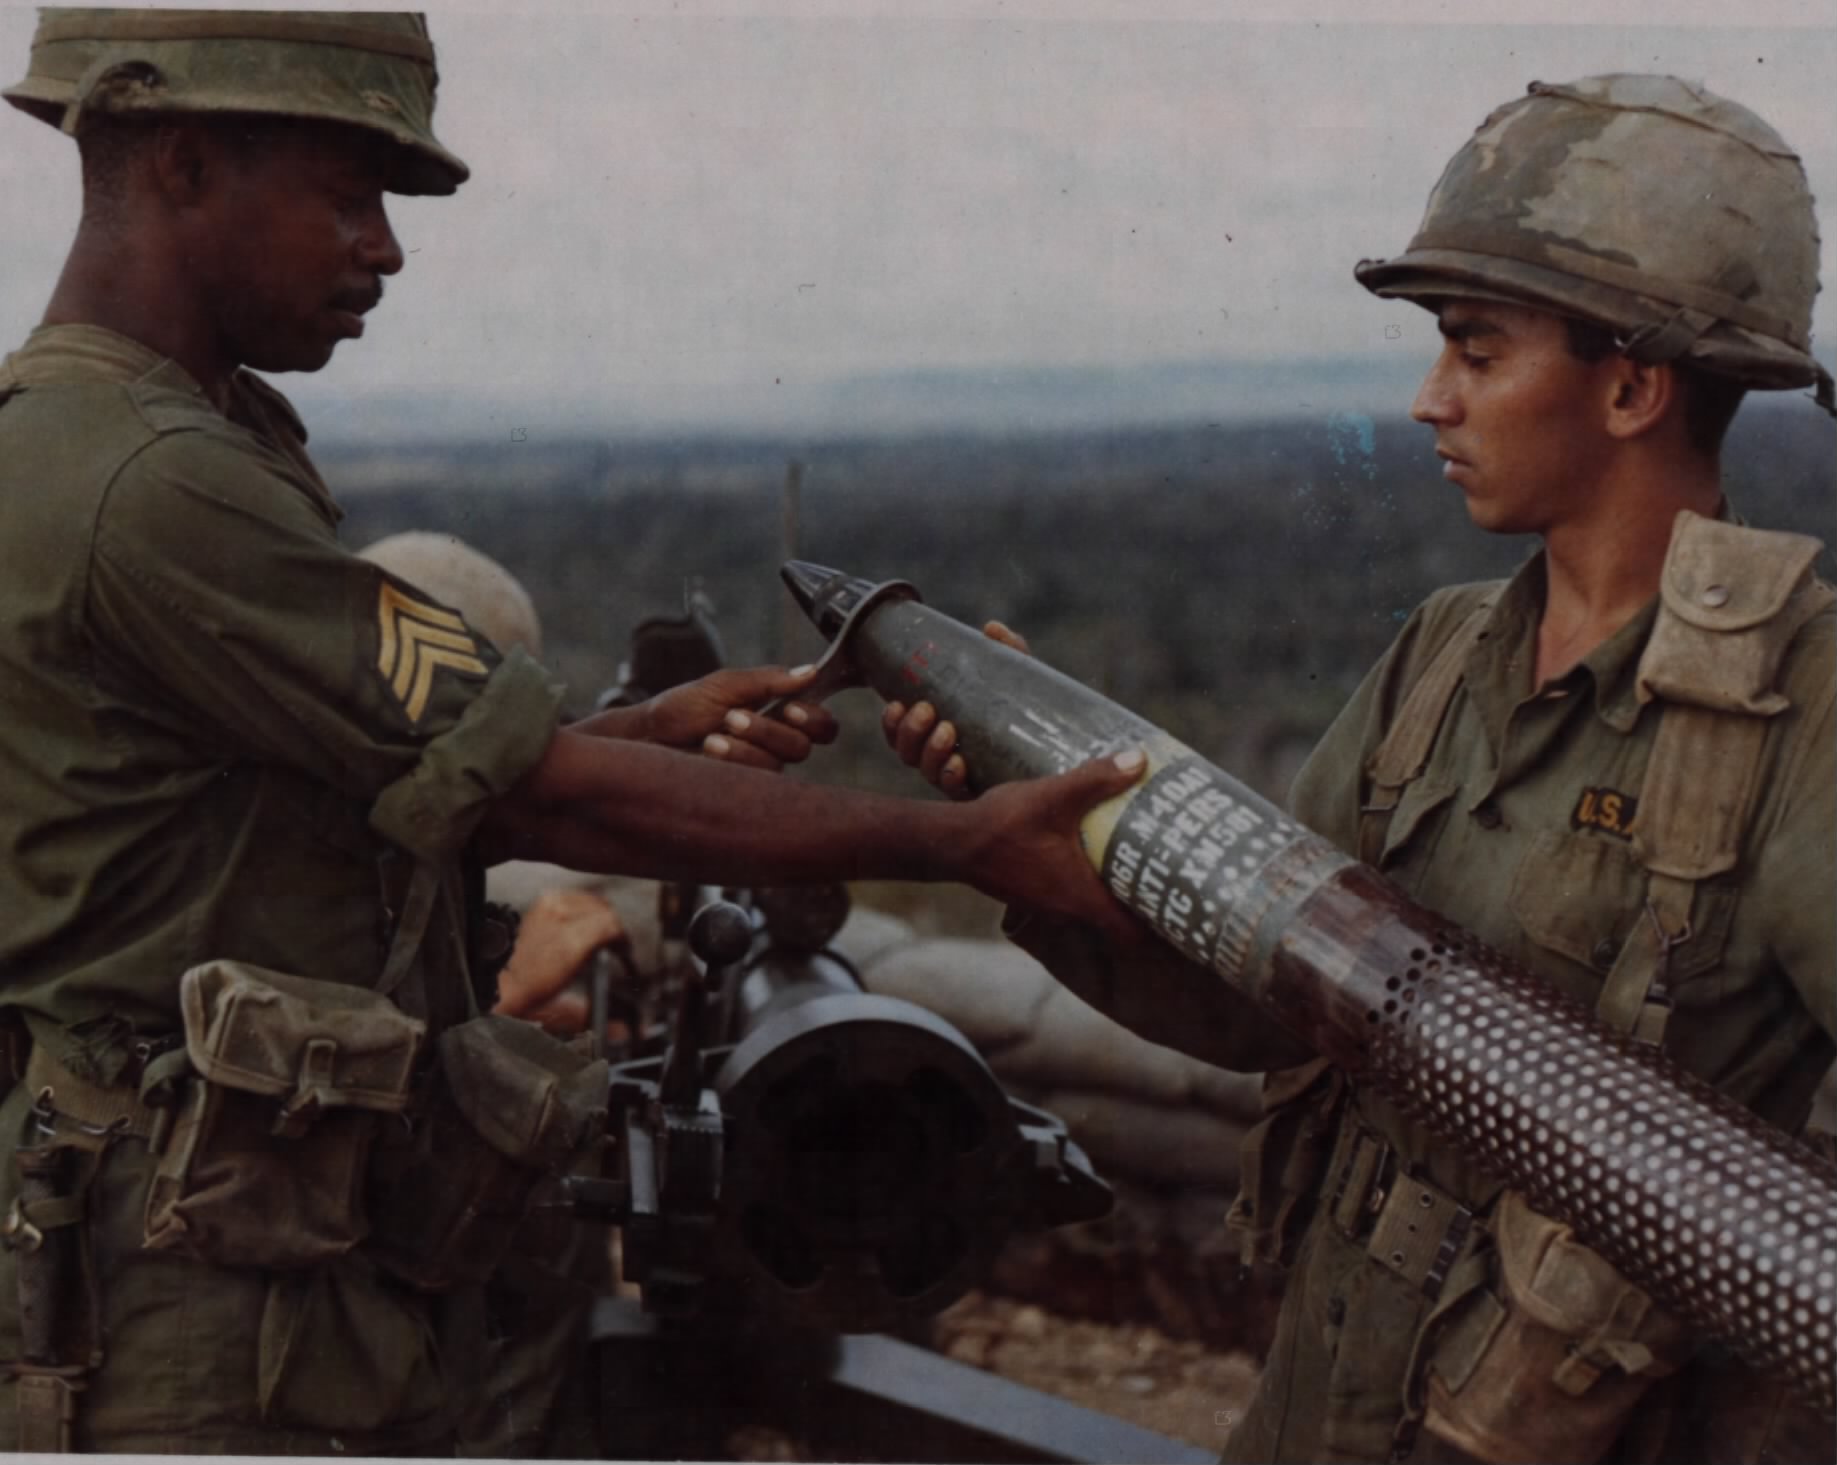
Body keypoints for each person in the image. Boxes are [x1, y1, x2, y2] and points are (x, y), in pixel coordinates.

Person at [0, 12, 1147, 1454]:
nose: (385, 247)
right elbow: (546, 799)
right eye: (347, 193)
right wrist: (967, 841)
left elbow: (330, 791)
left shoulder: (122, 438)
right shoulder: (153, 483)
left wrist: (647, 727)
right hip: (196, 1309)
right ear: (178, 164)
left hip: (219, 1256)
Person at [888, 75, 1834, 1464]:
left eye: (1475, 351)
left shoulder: (1801, 704)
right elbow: (1266, 1003)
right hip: (1337, 1395)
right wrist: (1033, 839)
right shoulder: (1442, 657)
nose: (1426, 401)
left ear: (1630, 385)